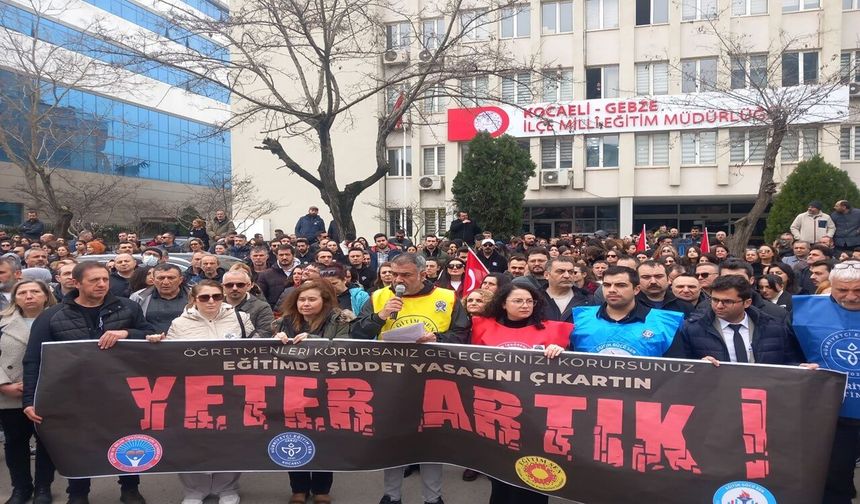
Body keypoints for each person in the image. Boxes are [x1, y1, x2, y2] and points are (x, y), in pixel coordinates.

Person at [23, 262, 153, 504]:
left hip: (122, 393)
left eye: (105, 279)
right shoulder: (51, 316)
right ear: (76, 282)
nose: (102, 284)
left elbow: (150, 335)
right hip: (74, 395)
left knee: (126, 439)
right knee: (79, 444)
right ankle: (78, 492)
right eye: (94, 280)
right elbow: (33, 360)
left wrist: (128, 334)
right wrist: (30, 399)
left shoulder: (128, 308)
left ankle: (130, 488)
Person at [352, 254, 470, 504]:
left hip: (435, 380)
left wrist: (438, 338)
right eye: (394, 274)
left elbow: (462, 333)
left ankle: (433, 497)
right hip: (391, 381)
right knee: (393, 438)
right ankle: (391, 495)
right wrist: (380, 316)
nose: (398, 280)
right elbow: (357, 333)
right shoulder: (379, 297)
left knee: (431, 440)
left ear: (422, 274)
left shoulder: (446, 297)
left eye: (405, 275)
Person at [147, 280, 250, 504]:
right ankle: (194, 490)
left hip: (233, 389)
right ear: (194, 300)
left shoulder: (241, 318)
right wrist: (156, 343)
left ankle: (227, 488)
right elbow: (168, 357)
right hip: (193, 390)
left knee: (231, 438)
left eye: (216, 296)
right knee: (191, 440)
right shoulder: (179, 323)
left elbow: (256, 349)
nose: (211, 301)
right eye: (205, 297)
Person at [470, 283, 570, 504]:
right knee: (500, 475)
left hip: (535, 417)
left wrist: (561, 353)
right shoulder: (481, 327)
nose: (525, 306)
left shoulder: (553, 330)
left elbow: (567, 373)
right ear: (503, 304)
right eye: (518, 301)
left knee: (535, 475)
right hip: (496, 413)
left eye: (529, 301)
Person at [272, 280, 353, 504]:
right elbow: (272, 355)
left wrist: (315, 341)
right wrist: (275, 340)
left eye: (311, 299)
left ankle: (321, 489)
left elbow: (346, 346)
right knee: (293, 436)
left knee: (324, 437)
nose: (305, 304)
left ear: (324, 301)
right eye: (301, 299)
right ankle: (298, 488)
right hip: (292, 387)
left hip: (327, 385)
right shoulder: (285, 321)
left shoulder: (339, 319)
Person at [0, 280, 57, 504]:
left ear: (46, 295)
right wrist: (3, 384)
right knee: (15, 442)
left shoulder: (60, 319)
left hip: (48, 392)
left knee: (46, 442)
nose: (29, 296)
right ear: (15, 298)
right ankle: (20, 488)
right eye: (22, 292)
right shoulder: (2, 323)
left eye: (35, 291)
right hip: (11, 392)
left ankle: (43, 487)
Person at [679, 275, 806, 365]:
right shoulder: (692, 329)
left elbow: (788, 362)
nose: (718, 306)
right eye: (715, 300)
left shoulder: (774, 327)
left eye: (727, 301)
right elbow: (681, 368)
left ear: (747, 303)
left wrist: (799, 368)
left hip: (763, 395)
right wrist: (699, 365)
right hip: (715, 395)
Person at [571, 266, 685, 358]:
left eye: (621, 285)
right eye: (606, 285)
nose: (612, 290)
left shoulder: (666, 323)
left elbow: (675, 372)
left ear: (636, 289)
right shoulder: (579, 317)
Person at [130, 263, 189, 334]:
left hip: (185, 342)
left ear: (180, 280)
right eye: (161, 278)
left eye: (171, 278)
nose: (165, 282)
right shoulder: (138, 297)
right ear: (153, 280)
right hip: (150, 343)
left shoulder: (196, 297)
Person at [223, 270, 274, 338]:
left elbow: (265, 332)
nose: (234, 288)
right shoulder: (214, 305)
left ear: (248, 285)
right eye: (229, 285)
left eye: (240, 285)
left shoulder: (262, 307)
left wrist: (241, 345)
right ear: (222, 286)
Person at [539, 257, 593, 322]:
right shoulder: (535, 299)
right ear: (546, 275)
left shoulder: (587, 299)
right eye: (560, 271)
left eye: (571, 272)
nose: (567, 276)